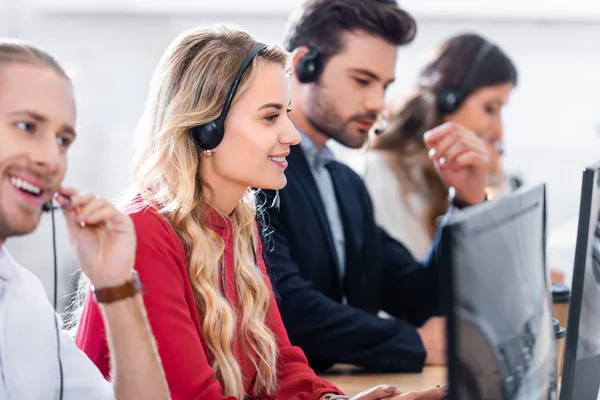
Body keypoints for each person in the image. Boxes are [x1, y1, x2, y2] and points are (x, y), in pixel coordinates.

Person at [72, 26, 448, 400]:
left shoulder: (237, 221)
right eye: (270, 117)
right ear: (207, 126)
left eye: (286, 113)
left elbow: (281, 365)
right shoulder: (145, 232)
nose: (292, 135)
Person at [258, 0, 490, 374]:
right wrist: (414, 342)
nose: (378, 103)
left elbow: (418, 296)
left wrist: (464, 201)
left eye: (385, 86)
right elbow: (288, 310)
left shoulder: (344, 183)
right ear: (302, 65)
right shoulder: (261, 174)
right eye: (362, 80)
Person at [0, 40, 169, 399]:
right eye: (27, 126)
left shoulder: (23, 298)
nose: (52, 159)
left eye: (63, 140)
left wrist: (116, 286)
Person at [365, 33, 518, 258]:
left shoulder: (457, 170)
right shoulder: (385, 174)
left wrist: (492, 182)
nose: (498, 131)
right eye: (489, 109)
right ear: (449, 100)